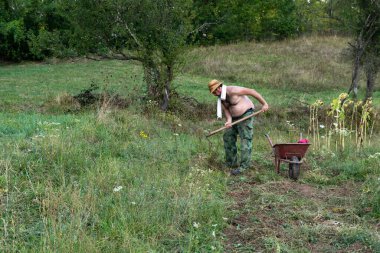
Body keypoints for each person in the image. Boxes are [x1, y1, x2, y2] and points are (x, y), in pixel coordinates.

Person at [208, 79, 269, 175]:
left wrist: (264, 104)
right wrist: (228, 121)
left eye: (216, 90)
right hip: (233, 118)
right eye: (213, 92)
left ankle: (244, 166)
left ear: (220, 87)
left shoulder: (233, 90)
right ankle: (231, 163)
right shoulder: (221, 99)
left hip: (245, 114)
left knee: (245, 139)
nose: (216, 93)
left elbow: (252, 91)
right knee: (227, 137)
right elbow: (227, 111)